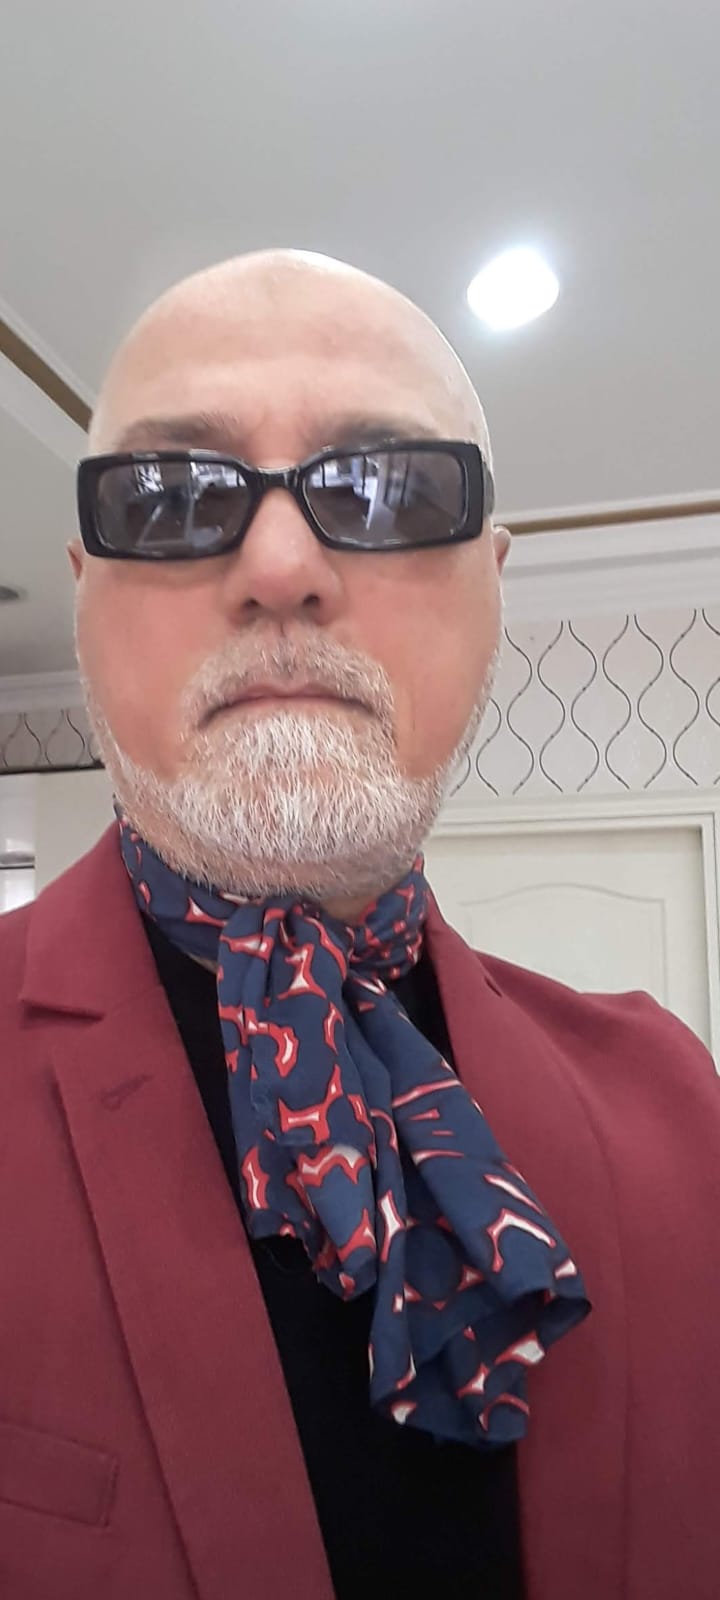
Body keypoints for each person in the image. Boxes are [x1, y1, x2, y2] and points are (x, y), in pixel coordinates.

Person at [1, 249, 719, 1600]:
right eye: (171, 496)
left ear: (493, 583)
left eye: (387, 487)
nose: (281, 566)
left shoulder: (681, 1113)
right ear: (82, 590)